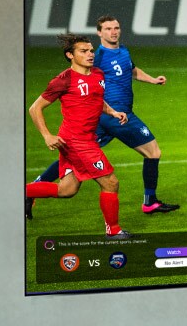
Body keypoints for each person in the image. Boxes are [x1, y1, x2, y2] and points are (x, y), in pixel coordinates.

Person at [26, 15, 179, 219]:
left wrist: (152, 80)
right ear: (99, 33)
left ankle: (33, 188)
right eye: (108, 29)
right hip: (118, 117)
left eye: (116, 27)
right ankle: (149, 202)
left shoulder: (123, 51)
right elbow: (80, 81)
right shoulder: (96, 57)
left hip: (109, 115)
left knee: (73, 160)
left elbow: (131, 70)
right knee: (153, 152)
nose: (113, 32)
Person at [25, 33, 131, 238]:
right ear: (70, 55)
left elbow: (96, 99)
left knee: (67, 190)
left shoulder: (98, 74)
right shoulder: (63, 80)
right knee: (111, 183)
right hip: (76, 141)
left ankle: (25, 192)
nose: (90, 54)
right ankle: (113, 230)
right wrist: (47, 135)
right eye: (83, 51)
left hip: (86, 139)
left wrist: (112, 112)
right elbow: (35, 108)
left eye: (91, 50)